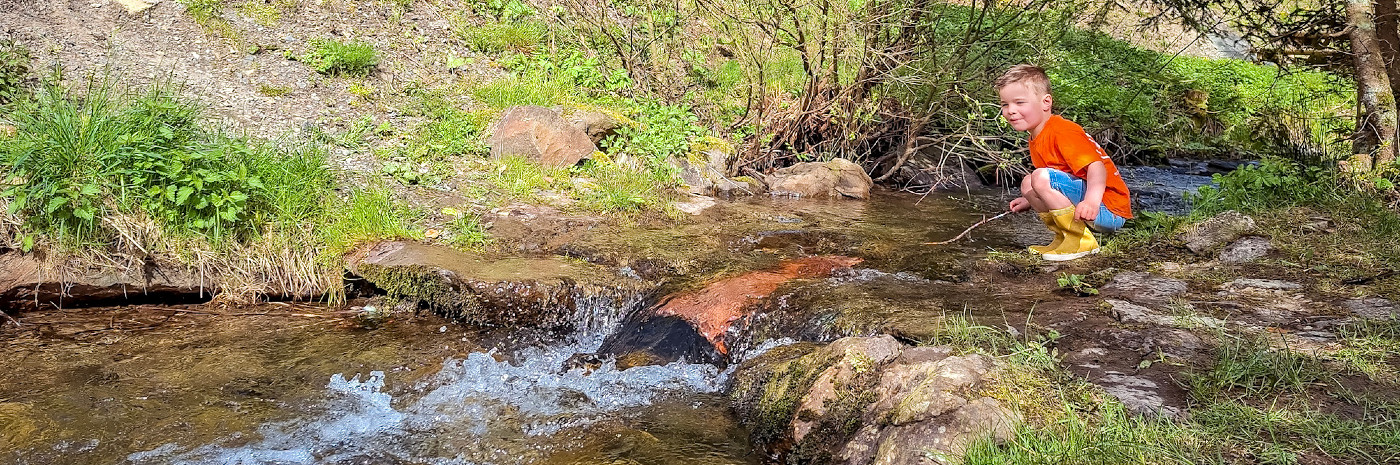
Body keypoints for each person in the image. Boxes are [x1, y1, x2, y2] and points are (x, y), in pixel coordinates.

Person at [996, 64, 1132, 261]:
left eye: (1019, 102)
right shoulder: (1037, 136)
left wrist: (1091, 201)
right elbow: (1058, 177)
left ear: (1046, 102)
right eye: (1004, 104)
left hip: (1107, 209)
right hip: (1092, 204)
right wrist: (1030, 198)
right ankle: (1063, 238)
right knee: (1029, 182)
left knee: (1040, 177)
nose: (1011, 111)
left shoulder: (1062, 131)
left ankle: (1080, 241)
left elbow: (1097, 167)